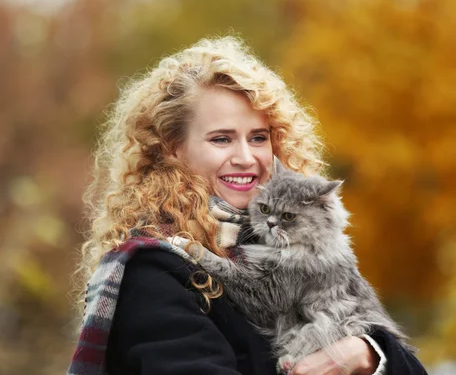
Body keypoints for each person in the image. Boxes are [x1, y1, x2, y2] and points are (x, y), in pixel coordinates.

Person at [67, 36, 427, 375]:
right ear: (172, 149)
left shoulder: (286, 242)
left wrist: (366, 355)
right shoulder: (153, 271)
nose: (246, 157)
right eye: (221, 139)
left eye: (258, 137)